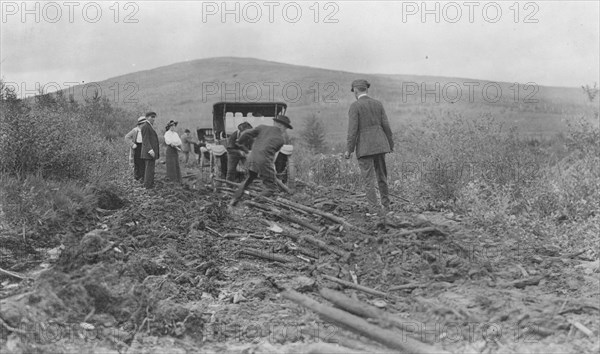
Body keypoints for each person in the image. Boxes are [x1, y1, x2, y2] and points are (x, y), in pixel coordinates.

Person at [344, 79, 394, 227]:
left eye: (353, 91)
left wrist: (349, 150)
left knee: (368, 179)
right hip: (380, 145)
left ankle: (374, 210)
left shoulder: (355, 106)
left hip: (365, 148)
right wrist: (390, 144)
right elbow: (386, 126)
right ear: (366, 89)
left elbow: (352, 131)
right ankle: (387, 207)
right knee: (382, 176)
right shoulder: (378, 104)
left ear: (356, 90)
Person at [229, 115, 293, 206]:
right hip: (264, 161)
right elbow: (270, 155)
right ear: (281, 126)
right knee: (272, 188)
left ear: (275, 123)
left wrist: (239, 141)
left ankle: (234, 200)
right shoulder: (281, 140)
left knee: (249, 179)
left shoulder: (262, 127)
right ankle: (253, 203)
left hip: (251, 158)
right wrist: (270, 170)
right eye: (286, 128)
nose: (285, 130)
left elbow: (246, 133)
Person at [124, 116, 147, 182]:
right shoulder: (135, 130)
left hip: (144, 147)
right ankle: (137, 177)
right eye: (142, 124)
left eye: (144, 124)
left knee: (143, 162)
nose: (143, 125)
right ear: (140, 124)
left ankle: (143, 177)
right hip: (137, 147)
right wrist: (132, 144)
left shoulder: (145, 130)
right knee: (137, 162)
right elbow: (127, 137)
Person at [141, 111, 160, 189]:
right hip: (149, 152)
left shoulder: (149, 126)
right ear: (147, 117)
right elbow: (145, 140)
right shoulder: (146, 126)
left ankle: (150, 185)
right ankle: (147, 186)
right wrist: (150, 150)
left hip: (151, 152)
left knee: (151, 169)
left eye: (154, 117)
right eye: (152, 117)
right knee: (149, 169)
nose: (153, 119)